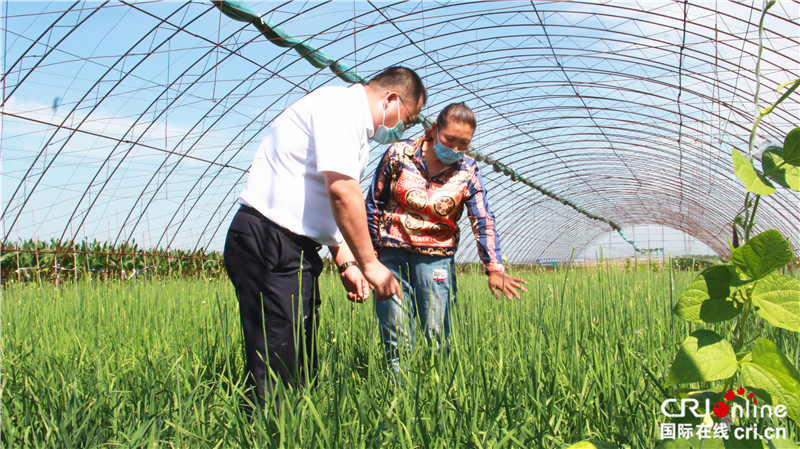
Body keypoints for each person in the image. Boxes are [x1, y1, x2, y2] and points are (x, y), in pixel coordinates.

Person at [224, 66, 427, 407]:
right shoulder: (341, 108)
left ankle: (293, 432)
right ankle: (267, 435)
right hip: (269, 241)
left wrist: (345, 260)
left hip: (292, 247)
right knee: (277, 368)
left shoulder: (352, 126)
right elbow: (342, 192)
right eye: (408, 119)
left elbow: (318, 200)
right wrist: (370, 263)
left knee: (300, 360)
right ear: (391, 99)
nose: (404, 129)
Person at [365, 102, 526, 374]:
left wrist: (494, 267)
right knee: (395, 329)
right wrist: (369, 257)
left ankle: (438, 388)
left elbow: (482, 217)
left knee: (436, 329)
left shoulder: (468, 170)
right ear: (434, 130)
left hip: (436, 259)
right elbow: (374, 203)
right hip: (390, 255)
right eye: (450, 139)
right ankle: (398, 392)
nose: (454, 149)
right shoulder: (399, 154)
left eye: (463, 144)